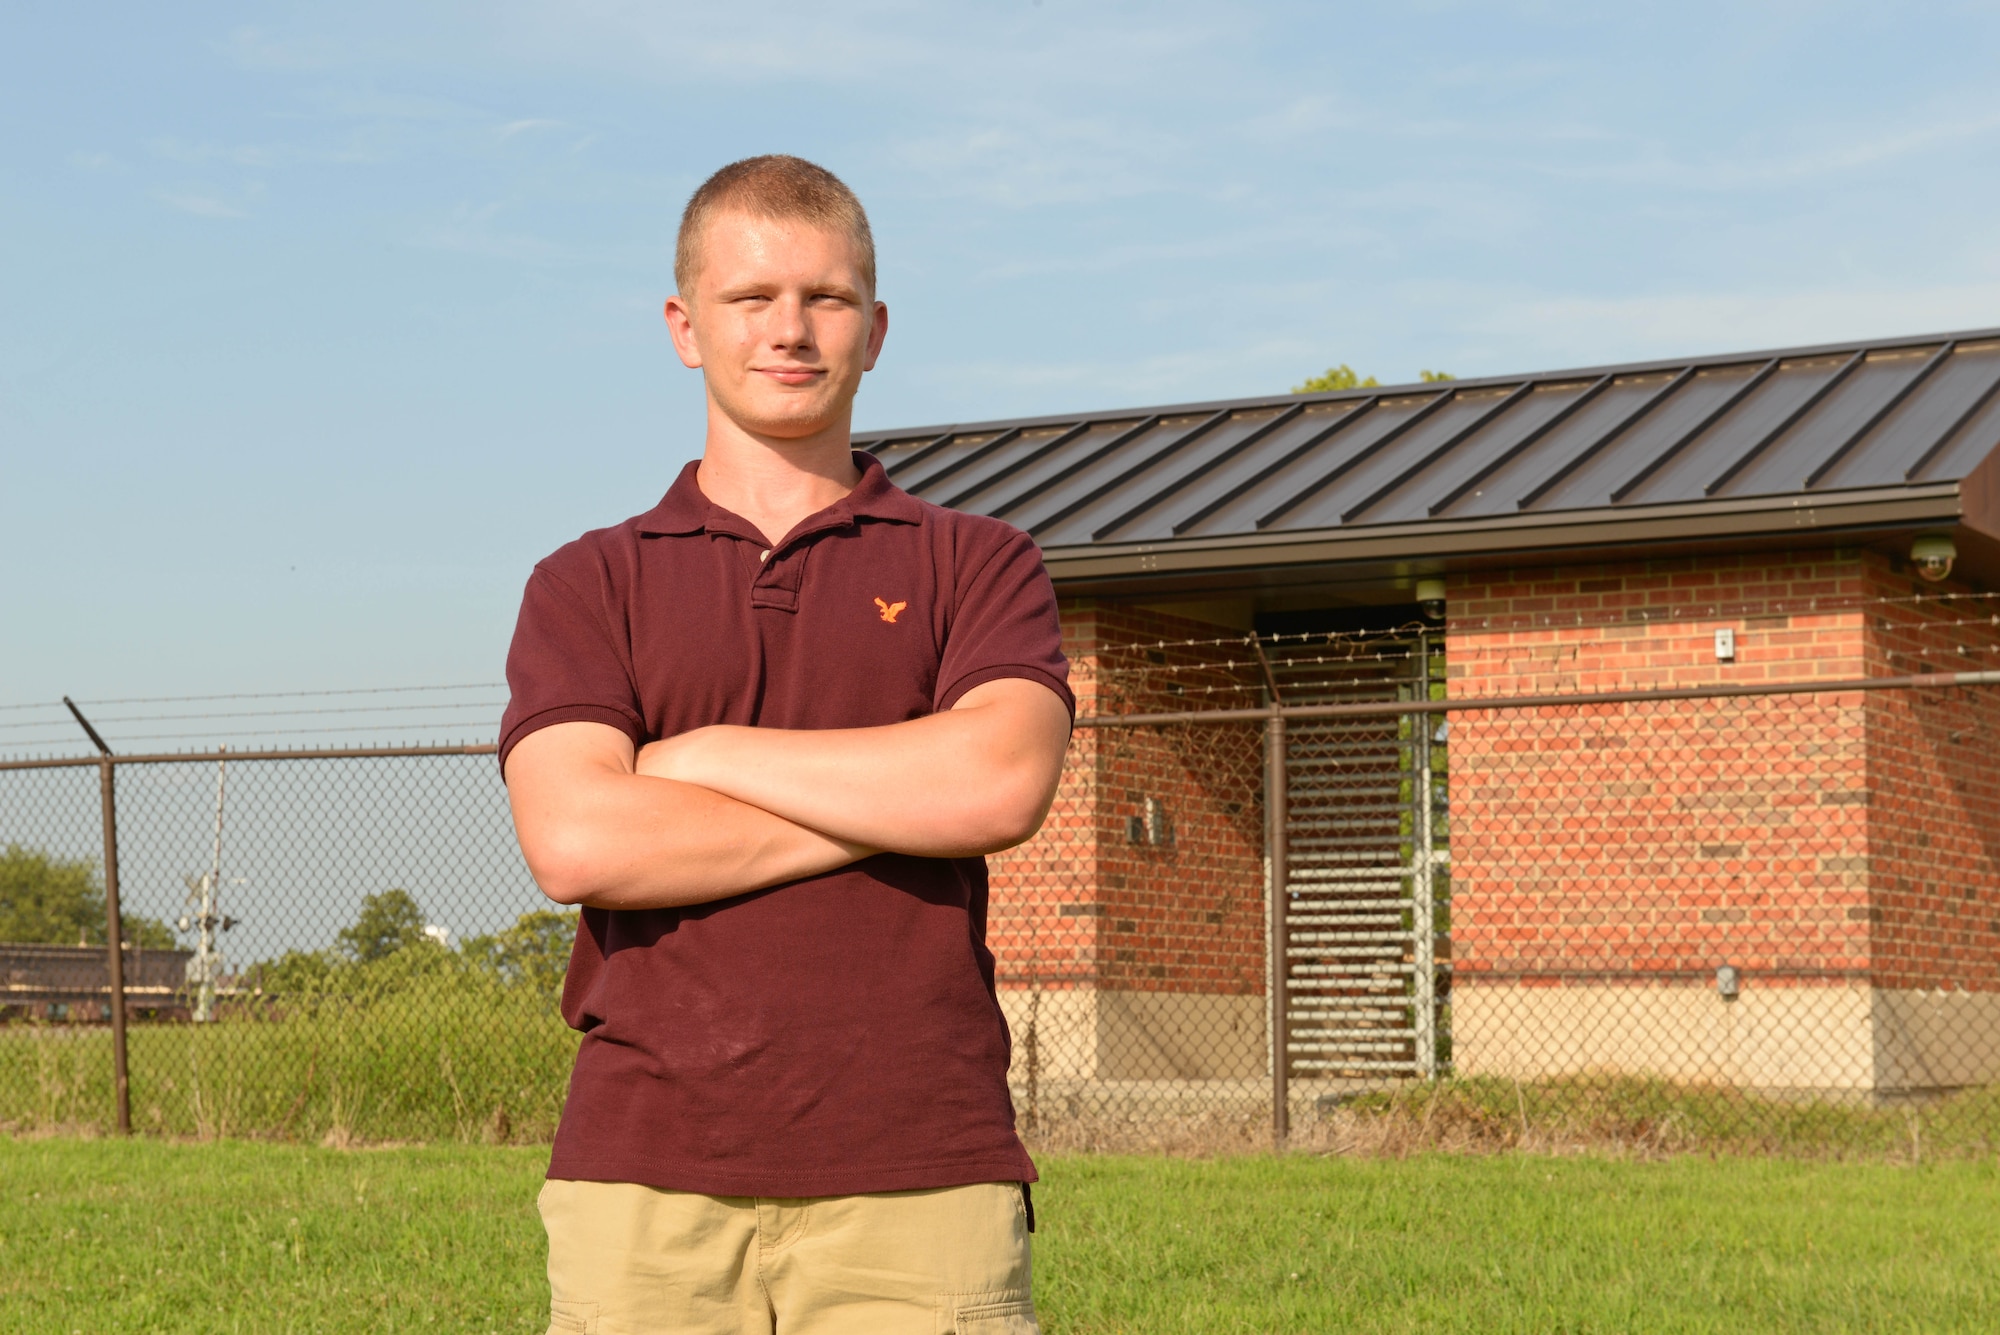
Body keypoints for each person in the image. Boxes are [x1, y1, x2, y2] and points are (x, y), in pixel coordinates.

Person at [499, 155, 1073, 1335]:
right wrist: (897, 798)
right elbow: (578, 843)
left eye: (826, 298)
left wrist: (698, 753)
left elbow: (998, 783)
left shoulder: (978, 561)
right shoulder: (585, 581)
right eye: (751, 297)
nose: (790, 329)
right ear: (684, 327)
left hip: (922, 1168)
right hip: (642, 1173)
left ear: (875, 329)